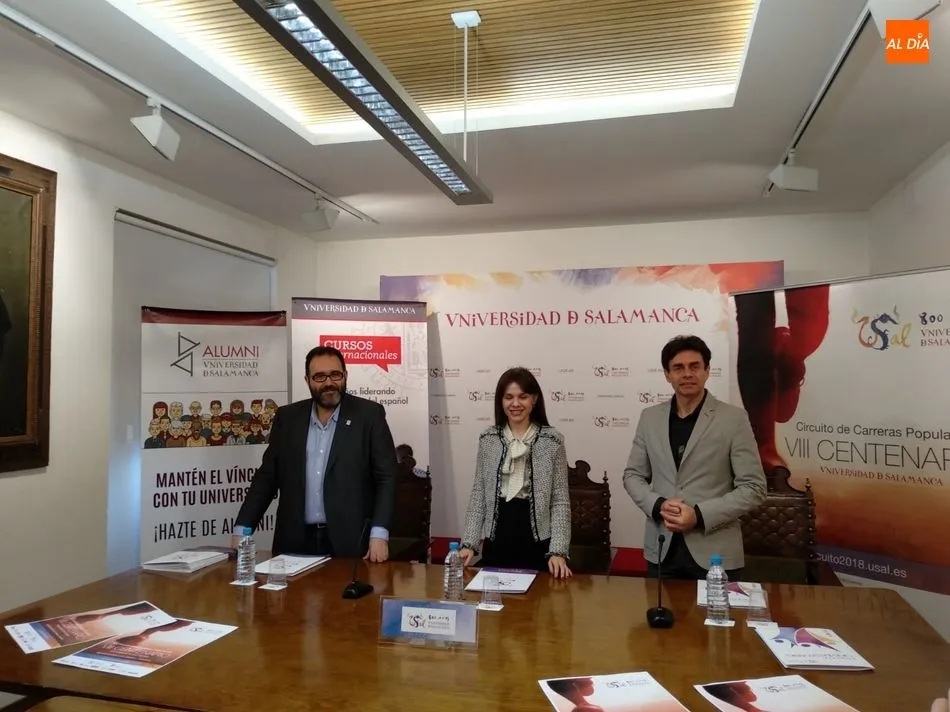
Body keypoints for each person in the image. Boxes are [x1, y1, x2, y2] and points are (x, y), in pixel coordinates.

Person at [234, 346, 398, 561]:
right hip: (295, 540)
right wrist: (243, 528)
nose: (329, 383)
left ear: (345, 376)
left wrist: (379, 534)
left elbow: (387, 478)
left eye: (335, 374)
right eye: (319, 376)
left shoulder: (369, 415)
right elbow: (267, 477)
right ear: (307, 380)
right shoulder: (288, 418)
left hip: (352, 541)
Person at [623, 335, 766, 580]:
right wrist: (658, 505)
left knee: (715, 620)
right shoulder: (650, 418)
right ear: (667, 374)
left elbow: (754, 488)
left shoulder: (733, 419)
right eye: (678, 368)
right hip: (661, 550)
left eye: (695, 366)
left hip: (715, 555)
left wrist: (699, 515)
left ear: (707, 371)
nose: (687, 374)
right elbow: (633, 475)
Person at [459, 367, 572, 578]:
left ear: (534, 400)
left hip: (538, 542)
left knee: (538, 607)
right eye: (508, 397)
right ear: (501, 402)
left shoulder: (552, 441)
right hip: (498, 536)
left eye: (523, 397)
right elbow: (479, 495)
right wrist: (469, 543)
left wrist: (558, 551)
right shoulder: (488, 439)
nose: (515, 404)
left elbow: (560, 501)